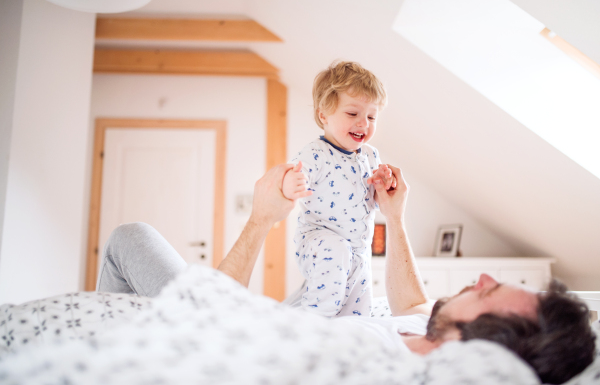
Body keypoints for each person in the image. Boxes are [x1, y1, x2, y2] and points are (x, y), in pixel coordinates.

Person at [97, 163, 596, 384]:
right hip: (290, 316)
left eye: (493, 292)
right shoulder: (426, 330)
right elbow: (414, 304)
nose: (483, 279)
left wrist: (262, 219)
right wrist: (394, 217)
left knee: (131, 239)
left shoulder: (387, 371)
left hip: (223, 336)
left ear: (492, 342)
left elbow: (213, 322)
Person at [281, 61, 396, 318]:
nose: (363, 124)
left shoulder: (370, 155)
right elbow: (294, 174)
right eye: (353, 114)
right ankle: (312, 323)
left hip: (358, 250)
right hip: (320, 242)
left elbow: (377, 201)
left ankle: (341, 343)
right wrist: (292, 182)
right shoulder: (316, 153)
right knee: (326, 297)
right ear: (324, 115)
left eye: (371, 116)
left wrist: (383, 184)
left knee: (357, 312)